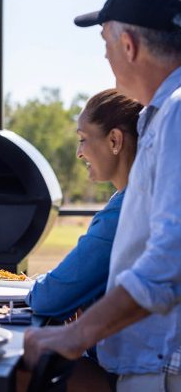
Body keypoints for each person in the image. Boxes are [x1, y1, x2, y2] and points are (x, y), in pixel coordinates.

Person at [24, 0, 181, 390]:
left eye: (105, 45)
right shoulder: (161, 115)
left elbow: (171, 257)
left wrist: (73, 336)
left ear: (128, 46)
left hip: (162, 369)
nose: (107, 59)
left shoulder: (177, 113)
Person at [27, 89, 142, 320]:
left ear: (114, 140)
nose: (79, 153)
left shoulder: (124, 211)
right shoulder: (133, 200)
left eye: (83, 139)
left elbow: (48, 297)